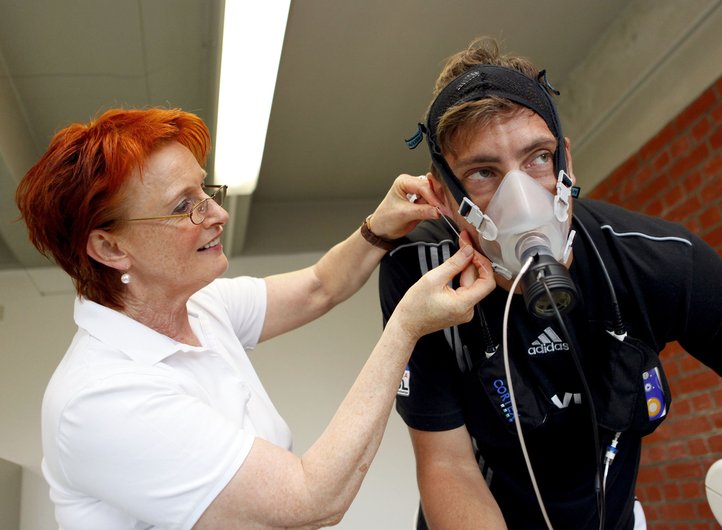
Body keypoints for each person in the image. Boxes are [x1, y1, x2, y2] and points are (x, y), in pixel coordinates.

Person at [379, 37, 722, 530]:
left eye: (538, 158)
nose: (522, 197)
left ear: (566, 164)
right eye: (483, 172)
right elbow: (446, 465)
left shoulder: (660, 260)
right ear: (444, 196)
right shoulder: (423, 277)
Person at [14, 107, 495, 529]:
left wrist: (378, 228)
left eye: (204, 190)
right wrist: (405, 327)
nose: (217, 214)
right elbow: (310, 499)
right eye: (184, 207)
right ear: (109, 247)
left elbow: (319, 286)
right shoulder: (100, 399)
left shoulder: (200, 306)